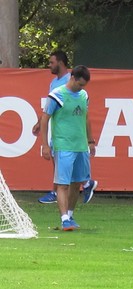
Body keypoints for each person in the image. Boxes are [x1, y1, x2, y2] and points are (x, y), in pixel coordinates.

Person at [32, 50, 97, 204]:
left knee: (67, 168)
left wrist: (90, 139)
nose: (49, 65)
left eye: (52, 62)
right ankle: (78, 188)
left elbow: (83, 112)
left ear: (60, 63)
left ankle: (80, 185)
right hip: (60, 132)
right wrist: (39, 122)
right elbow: (50, 109)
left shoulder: (71, 81)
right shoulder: (54, 83)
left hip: (70, 135)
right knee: (59, 163)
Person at [40, 65, 95, 230]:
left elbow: (86, 118)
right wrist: (44, 145)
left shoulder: (84, 95)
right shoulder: (56, 95)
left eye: (84, 85)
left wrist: (90, 141)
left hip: (80, 146)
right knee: (62, 183)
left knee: (76, 183)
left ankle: (70, 215)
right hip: (63, 145)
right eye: (80, 84)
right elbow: (45, 120)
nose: (81, 88)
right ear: (72, 78)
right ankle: (64, 219)